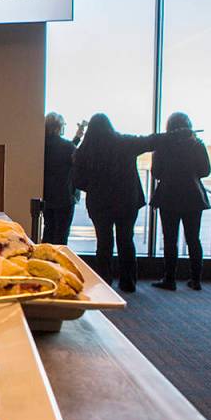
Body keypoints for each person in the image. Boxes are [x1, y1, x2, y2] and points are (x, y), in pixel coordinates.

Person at [72, 113, 175, 293]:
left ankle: (104, 280)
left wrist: (94, 187)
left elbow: (77, 180)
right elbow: (150, 141)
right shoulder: (124, 143)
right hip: (126, 201)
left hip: (99, 202)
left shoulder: (85, 150)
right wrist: (176, 134)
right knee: (126, 240)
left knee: (104, 242)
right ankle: (128, 282)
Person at [151, 112, 210, 291]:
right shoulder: (197, 144)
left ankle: (169, 279)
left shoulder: (163, 146)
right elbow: (205, 171)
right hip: (193, 197)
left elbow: (156, 173)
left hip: (169, 196)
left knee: (170, 239)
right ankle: (196, 279)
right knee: (193, 239)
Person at [42, 112, 85, 245]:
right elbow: (76, 157)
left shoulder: (40, 145)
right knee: (61, 235)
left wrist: (78, 136)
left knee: (48, 231)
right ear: (58, 127)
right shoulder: (66, 147)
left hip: (46, 196)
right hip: (64, 196)